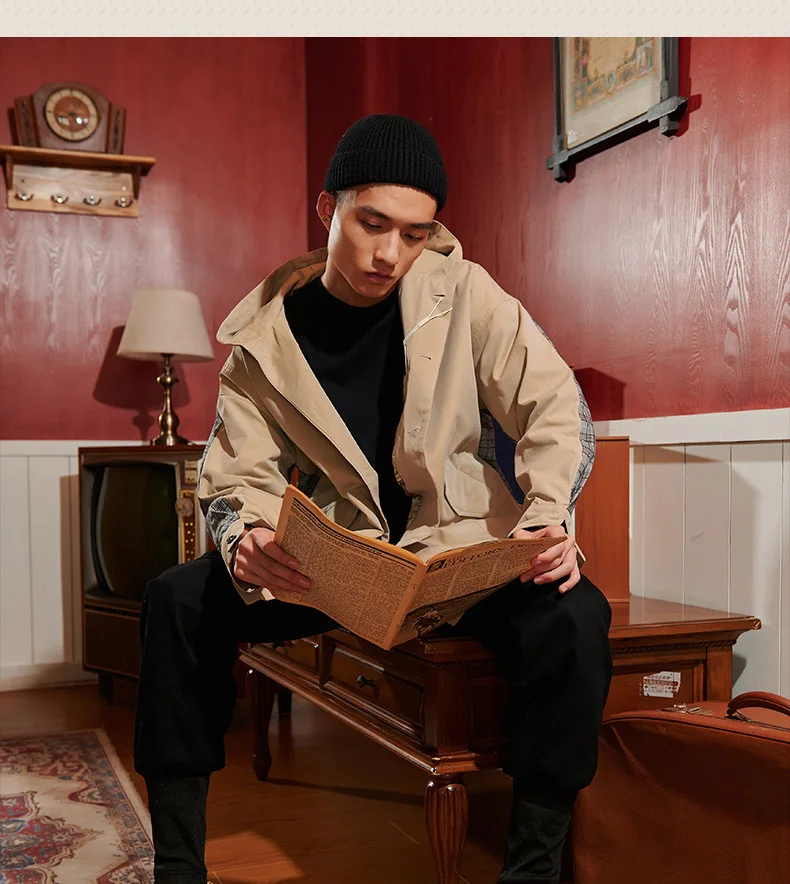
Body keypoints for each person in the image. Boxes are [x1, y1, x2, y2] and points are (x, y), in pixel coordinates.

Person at [134, 114, 613, 884]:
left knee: (577, 616)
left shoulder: (468, 295)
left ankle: (531, 873)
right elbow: (234, 473)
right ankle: (179, 868)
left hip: (459, 557)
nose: (391, 253)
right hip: (332, 566)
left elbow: (555, 407)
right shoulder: (262, 341)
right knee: (176, 601)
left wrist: (546, 513)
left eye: (416, 234)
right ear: (328, 209)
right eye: (373, 223)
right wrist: (244, 537)